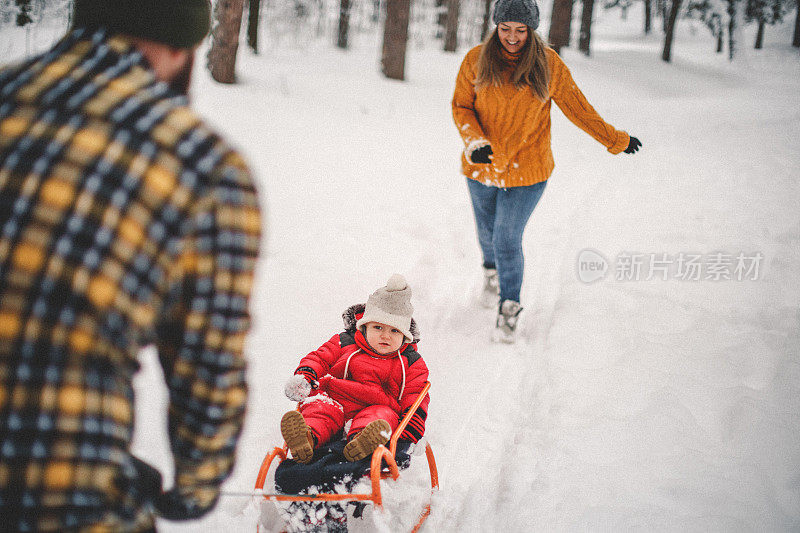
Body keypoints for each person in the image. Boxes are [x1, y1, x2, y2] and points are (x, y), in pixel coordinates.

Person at [0, 1, 262, 530]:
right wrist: (196, 485)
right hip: (59, 495)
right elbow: (207, 367)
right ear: (181, 44)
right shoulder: (203, 167)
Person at [452, 0, 641, 342]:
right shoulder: (476, 60)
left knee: (506, 238)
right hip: (482, 168)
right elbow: (462, 107)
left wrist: (615, 139)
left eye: (521, 30)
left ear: (532, 30)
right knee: (486, 234)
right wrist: (475, 141)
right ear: (496, 26)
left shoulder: (549, 64)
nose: (512, 37)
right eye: (505, 28)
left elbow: (579, 110)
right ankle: (491, 273)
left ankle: (509, 306)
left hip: (529, 172)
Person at [281, 274, 430, 465]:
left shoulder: (410, 362)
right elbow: (319, 357)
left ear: (405, 336)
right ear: (364, 326)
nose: (386, 336)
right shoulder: (345, 342)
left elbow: (416, 396)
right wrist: (305, 377)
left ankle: (361, 443)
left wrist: (411, 430)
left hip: (376, 407)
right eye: (378, 327)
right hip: (335, 399)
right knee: (319, 409)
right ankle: (306, 439)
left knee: (381, 418)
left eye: (395, 331)